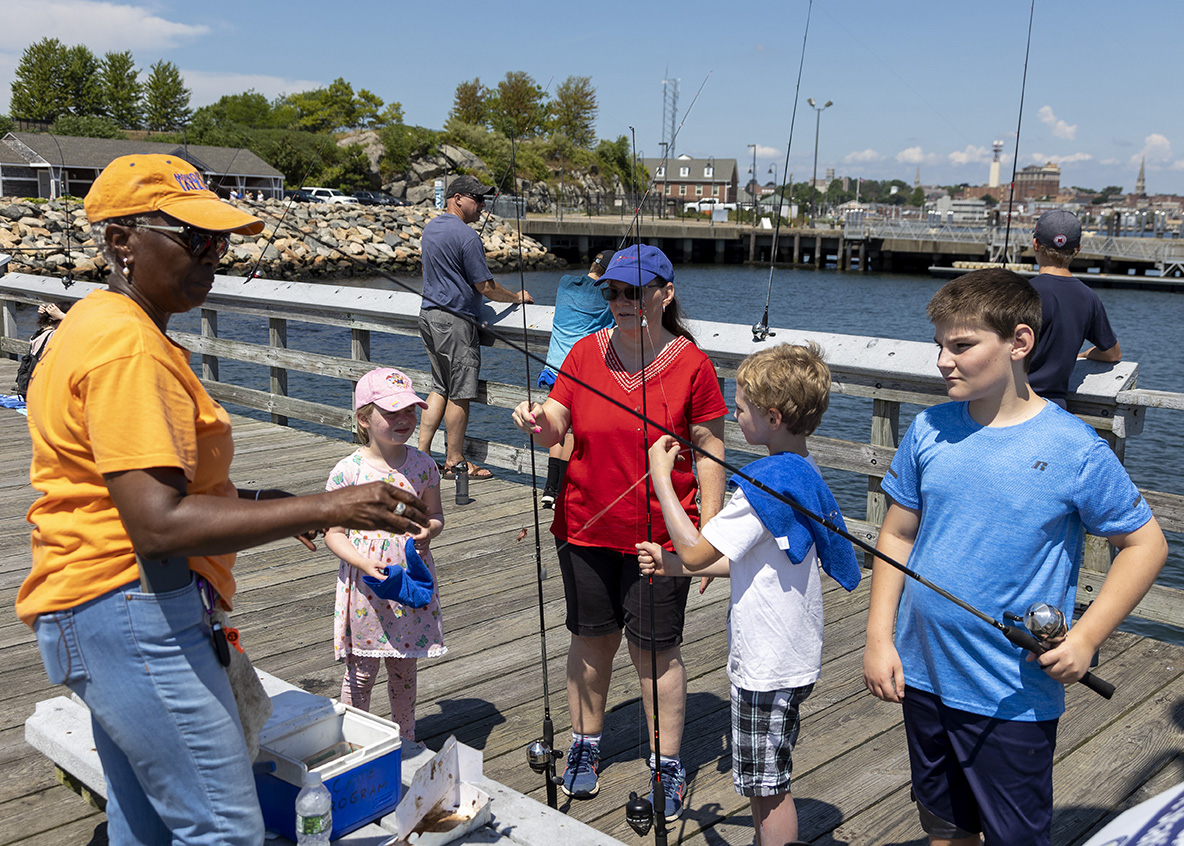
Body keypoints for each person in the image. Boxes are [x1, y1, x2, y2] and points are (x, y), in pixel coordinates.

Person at [17, 154, 430, 845]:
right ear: (122, 241)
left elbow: (148, 486)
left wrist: (273, 499)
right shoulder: (129, 349)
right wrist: (330, 507)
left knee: (144, 821)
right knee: (225, 828)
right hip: (132, 607)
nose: (215, 257)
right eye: (194, 239)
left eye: (222, 242)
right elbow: (159, 523)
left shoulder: (96, 322)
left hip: (92, 607)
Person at [861, 268, 1166, 846]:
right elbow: (897, 536)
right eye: (940, 347)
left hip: (1011, 693)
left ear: (1019, 343)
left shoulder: (1074, 446)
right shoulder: (928, 429)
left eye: (962, 345)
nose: (944, 361)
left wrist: (1086, 637)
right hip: (923, 673)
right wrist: (879, 638)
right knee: (944, 825)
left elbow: (1145, 544)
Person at [511, 244, 727, 820]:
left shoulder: (691, 364)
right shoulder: (584, 352)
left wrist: (707, 534)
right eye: (612, 291)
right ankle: (584, 744)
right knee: (590, 637)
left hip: (660, 536)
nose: (621, 301)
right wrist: (539, 420)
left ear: (665, 293)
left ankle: (667, 763)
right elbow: (560, 418)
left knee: (654, 650)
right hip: (583, 522)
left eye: (634, 291)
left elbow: (709, 450)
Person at [637, 342, 860, 846]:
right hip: (792, 655)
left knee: (767, 788)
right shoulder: (801, 471)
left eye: (740, 409)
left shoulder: (764, 482)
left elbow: (698, 550)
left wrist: (661, 479)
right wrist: (672, 565)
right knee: (766, 779)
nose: (733, 417)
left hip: (767, 663)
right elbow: (739, 554)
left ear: (773, 416)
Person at [325, 368, 445, 741]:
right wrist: (361, 562)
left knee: (404, 671)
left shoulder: (424, 465)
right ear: (364, 418)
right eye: (391, 413)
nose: (404, 420)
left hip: (409, 579)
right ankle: (353, 740)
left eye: (410, 411)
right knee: (360, 673)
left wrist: (430, 529)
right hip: (367, 586)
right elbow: (333, 533)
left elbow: (437, 514)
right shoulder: (348, 471)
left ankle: (405, 739)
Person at [417, 174, 533, 480]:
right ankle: (455, 461)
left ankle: (421, 455)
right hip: (455, 321)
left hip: (429, 316)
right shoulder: (467, 237)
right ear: (458, 198)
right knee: (460, 392)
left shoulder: (431, 229)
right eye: (477, 199)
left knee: (439, 387)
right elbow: (485, 286)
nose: (483, 205)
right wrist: (516, 297)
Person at [538, 249, 616, 508]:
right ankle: (561, 489)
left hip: (552, 367)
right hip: (577, 370)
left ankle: (550, 488)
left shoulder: (565, 283)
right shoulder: (606, 296)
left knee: (556, 425)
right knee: (572, 429)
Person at [1027, 209, 1121, 408]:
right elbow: (1112, 353)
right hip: (1054, 408)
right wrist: (1086, 354)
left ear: (1035, 244)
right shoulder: (1089, 297)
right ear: (1077, 248)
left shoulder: (1021, 292)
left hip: (1012, 403)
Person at [14, 301, 68, 400]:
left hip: (33, 385)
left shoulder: (40, 333)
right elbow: (81, 327)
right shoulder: (55, 335)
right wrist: (63, 316)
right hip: (47, 388)